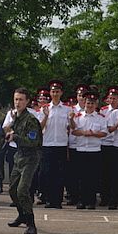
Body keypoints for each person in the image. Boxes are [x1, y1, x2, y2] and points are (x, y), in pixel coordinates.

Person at [6, 88, 43, 234]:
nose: (18, 102)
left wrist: (15, 137)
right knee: (12, 190)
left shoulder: (31, 120)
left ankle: (31, 223)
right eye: (16, 99)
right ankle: (22, 214)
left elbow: (33, 142)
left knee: (22, 190)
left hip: (30, 158)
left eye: (21, 99)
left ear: (27, 101)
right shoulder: (17, 117)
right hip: (19, 157)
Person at [39, 80, 70, 209]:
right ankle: (48, 199)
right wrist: (46, 116)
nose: (55, 94)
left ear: (61, 93)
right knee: (47, 173)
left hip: (61, 144)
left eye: (57, 91)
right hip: (47, 144)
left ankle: (57, 200)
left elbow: (70, 127)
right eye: (53, 91)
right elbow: (39, 127)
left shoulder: (67, 109)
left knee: (60, 174)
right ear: (50, 93)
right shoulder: (44, 108)